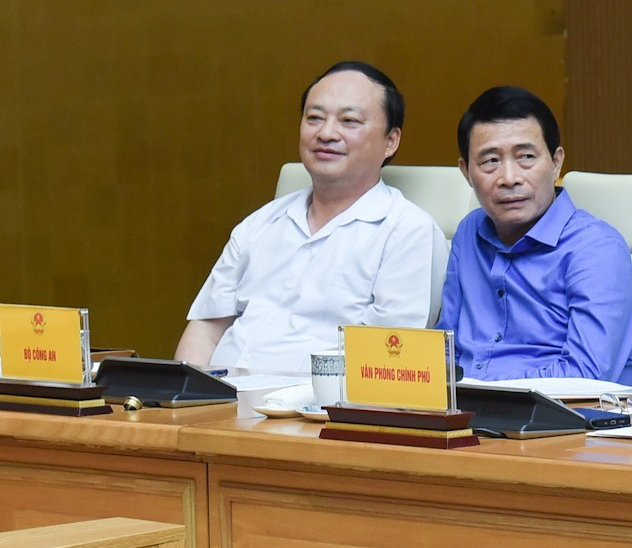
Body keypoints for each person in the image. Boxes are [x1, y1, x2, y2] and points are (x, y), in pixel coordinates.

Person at [179, 61, 446, 374]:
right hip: (218, 406)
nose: (326, 133)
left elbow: (386, 360)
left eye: (349, 120)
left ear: (391, 141)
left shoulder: (407, 232)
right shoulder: (258, 225)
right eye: (315, 118)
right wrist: (184, 404)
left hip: (311, 414)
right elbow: (205, 331)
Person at [442, 86, 632, 383]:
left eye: (525, 157)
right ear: (466, 172)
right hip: (467, 416)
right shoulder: (469, 233)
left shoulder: (595, 249)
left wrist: (484, 390)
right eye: (490, 161)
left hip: (562, 420)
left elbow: (585, 377)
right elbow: (444, 349)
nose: (509, 178)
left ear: (556, 162)